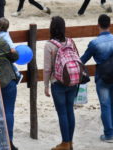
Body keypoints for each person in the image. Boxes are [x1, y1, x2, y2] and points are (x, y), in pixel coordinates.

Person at [80, 14, 113, 143]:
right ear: (110, 25)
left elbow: (83, 60)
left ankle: (108, 134)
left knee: (105, 105)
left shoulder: (94, 43)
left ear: (98, 25)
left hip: (102, 77)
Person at [44, 16, 78, 150]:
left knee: (62, 113)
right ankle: (70, 142)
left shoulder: (49, 45)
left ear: (51, 28)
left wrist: (46, 85)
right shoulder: (70, 41)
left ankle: (65, 143)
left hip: (57, 82)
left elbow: (47, 68)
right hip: (72, 81)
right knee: (70, 111)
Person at [0, 17, 23, 83]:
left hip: (7, 51)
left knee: (10, 64)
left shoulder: (5, 35)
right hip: (1, 50)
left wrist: (12, 49)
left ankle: (18, 75)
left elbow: (10, 43)